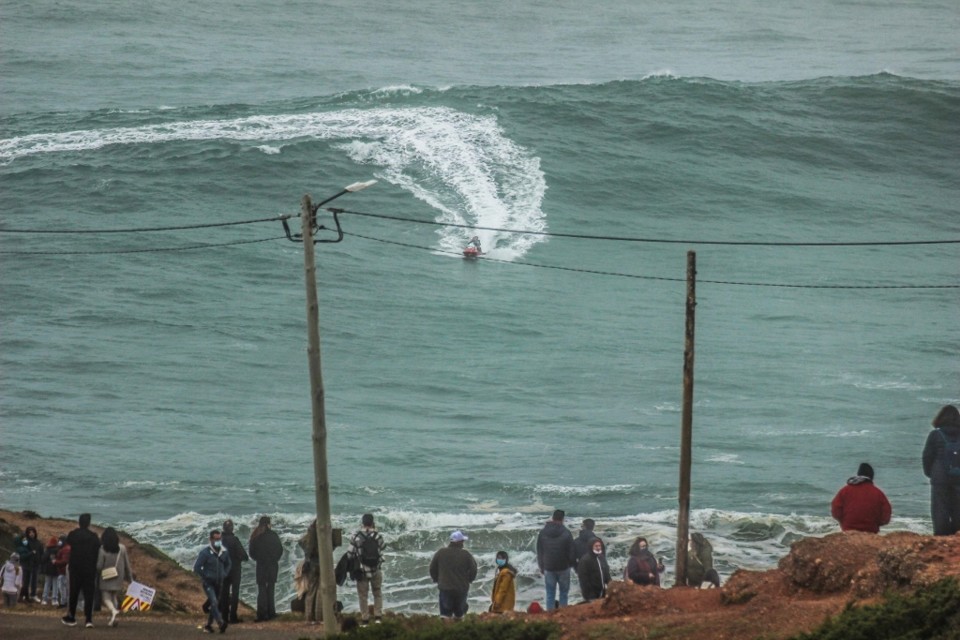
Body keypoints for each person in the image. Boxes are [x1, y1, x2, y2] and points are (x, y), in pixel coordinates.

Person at [923, 405, 960, 536]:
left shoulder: (935, 435)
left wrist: (931, 473)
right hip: (958, 477)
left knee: (940, 510)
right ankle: (957, 536)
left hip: (940, 477)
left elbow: (927, 456)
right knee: (958, 508)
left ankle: (940, 538)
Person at [428, 530, 477, 620]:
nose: (463, 543)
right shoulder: (466, 554)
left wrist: (437, 579)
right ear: (460, 542)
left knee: (445, 615)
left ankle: (446, 631)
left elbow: (432, 568)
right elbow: (473, 569)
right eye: (462, 541)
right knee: (459, 615)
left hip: (445, 588)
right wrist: (469, 580)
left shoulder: (441, 552)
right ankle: (458, 630)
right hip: (461, 589)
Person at [62, 513, 101, 628]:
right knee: (89, 594)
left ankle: (72, 617)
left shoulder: (73, 534)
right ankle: (88, 620)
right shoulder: (94, 536)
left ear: (79, 522)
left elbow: (68, 544)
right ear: (89, 523)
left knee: (74, 593)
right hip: (89, 568)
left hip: (75, 568)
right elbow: (97, 550)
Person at [830, 462, 892, 533]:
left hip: (848, 529)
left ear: (858, 474)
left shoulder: (845, 490)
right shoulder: (878, 493)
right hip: (871, 531)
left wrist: (843, 520)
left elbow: (836, 510)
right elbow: (886, 517)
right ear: (871, 477)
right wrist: (876, 523)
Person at [346, 513, 385, 625]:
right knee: (377, 593)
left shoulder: (356, 536)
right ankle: (378, 617)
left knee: (363, 595)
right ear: (372, 523)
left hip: (362, 571)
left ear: (362, 523)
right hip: (376, 569)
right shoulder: (377, 536)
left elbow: (350, 554)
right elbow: (382, 547)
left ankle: (365, 619)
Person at [536, 509, 576, 610]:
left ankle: (550, 616)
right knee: (563, 593)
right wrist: (571, 564)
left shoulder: (543, 532)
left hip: (548, 567)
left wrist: (541, 566)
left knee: (550, 593)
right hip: (563, 567)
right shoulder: (566, 533)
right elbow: (571, 552)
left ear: (552, 518)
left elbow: (540, 551)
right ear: (563, 519)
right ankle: (563, 615)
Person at [193, 529, 231, 634]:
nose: (218, 541)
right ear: (211, 539)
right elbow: (197, 567)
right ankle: (221, 623)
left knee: (215, 604)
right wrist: (205, 576)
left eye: (220, 539)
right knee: (213, 602)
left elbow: (229, 564)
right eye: (216, 539)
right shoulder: (205, 553)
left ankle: (208, 626)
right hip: (208, 583)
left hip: (220, 582)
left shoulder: (224, 551)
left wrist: (225, 573)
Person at [248, 515, 283, 622]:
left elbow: (251, 553)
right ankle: (271, 613)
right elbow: (280, 550)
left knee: (261, 589)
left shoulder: (256, 536)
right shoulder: (274, 535)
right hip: (272, 565)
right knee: (271, 589)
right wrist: (274, 559)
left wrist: (258, 559)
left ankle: (262, 615)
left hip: (261, 566)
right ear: (268, 524)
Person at [96, 527, 133, 628]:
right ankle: (114, 619)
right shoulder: (122, 548)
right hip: (118, 577)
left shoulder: (102, 549)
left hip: (106, 577)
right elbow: (127, 565)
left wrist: (98, 571)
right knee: (114, 597)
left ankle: (113, 611)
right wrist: (130, 579)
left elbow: (99, 566)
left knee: (106, 598)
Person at [219, 519, 248, 624]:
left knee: (224, 593)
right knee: (235, 593)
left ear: (223, 528)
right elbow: (244, 555)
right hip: (235, 569)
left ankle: (224, 617)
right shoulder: (234, 540)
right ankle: (233, 617)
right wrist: (240, 558)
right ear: (232, 528)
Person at [297, 519, 321, 624]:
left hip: (311, 564)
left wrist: (307, 557)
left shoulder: (309, 535)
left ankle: (309, 617)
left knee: (310, 591)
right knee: (320, 592)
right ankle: (318, 617)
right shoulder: (321, 535)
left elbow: (302, 543)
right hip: (321, 564)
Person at [576, 538, 611, 602]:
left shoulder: (602, 557)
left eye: (599, 546)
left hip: (602, 591)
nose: (598, 548)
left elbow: (606, 573)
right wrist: (589, 594)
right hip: (591, 594)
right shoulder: (585, 560)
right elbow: (583, 579)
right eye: (596, 546)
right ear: (591, 547)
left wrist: (610, 584)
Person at [16, 526, 42, 603]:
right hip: (26, 564)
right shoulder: (25, 542)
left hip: (35, 564)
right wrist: (21, 535)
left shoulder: (38, 542)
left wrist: (40, 560)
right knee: (25, 581)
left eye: (33, 532)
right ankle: (24, 596)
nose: (32, 534)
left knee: (34, 580)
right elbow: (18, 543)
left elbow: (41, 552)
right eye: (30, 532)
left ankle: (33, 595)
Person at [40, 536, 61, 606]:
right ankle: (54, 600)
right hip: (56, 570)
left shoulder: (48, 550)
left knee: (47, 584)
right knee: (55, 585)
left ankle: (44, 599)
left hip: (48, 570)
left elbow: (43, 559)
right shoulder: (58, 550)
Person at [54, 535, 70, 608]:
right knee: (65, 588)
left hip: (63, 571)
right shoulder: (66, 548)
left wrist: (56, 562)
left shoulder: (65, 549)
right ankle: (65, 602)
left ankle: (64, 602)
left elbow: (65, 561)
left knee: (62, 588)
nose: (59, 542)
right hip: (65, 571)